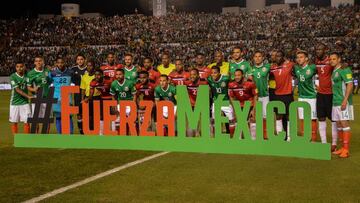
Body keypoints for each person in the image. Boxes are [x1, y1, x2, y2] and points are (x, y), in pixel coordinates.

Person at [330, 52, 354, 158]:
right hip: (335, 102)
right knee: (339, 125)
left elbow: (350, 84)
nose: (331, 61)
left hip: (343, 102)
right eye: (330, 59)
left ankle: (346, 149)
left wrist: (345, 100)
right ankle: (341, 148)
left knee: (344, 124)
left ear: (339, 59)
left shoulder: (344, 69)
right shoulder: (334, 71)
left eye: (334, 59)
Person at [315, 44, 338, 151]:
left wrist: (344, 64)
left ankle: (334, 143)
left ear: (325, 50)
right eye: (317, 49)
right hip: (320, 94)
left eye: (320, 49)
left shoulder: (331, 61)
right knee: (321, 118)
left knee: (333, 119)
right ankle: (324, 144)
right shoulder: (316, 62)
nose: (318, 51)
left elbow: (338, 65)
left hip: (330, 94)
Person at [270, 50, 294, 141]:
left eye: (280, 56)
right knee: (278, 116)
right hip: (277, 95)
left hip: (287, 94)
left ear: (283, 57)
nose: (278, 58)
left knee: (288, 116)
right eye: (276, 56)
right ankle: (280, 136)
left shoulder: (290, 65)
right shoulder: (272, 67)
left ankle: (289, 137)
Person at [294, 51, 318, 142]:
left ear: (306, 58)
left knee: (312, 119)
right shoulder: (296, 68)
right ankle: (305, 138)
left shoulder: (312, 67)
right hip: (301, 97)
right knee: (302, 118)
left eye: (301, 57)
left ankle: (314, 139)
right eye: (298, 57)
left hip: (311, 97)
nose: (299, 59)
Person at [228, 69, 258, 139]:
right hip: (239, 105)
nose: (237, 77)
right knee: (239, 122)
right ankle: (240, 140)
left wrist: (254, 109)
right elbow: (231, 97)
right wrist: (234, 109)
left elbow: (255, 95)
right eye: (235, 75)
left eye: (238, 75)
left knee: (252, 120)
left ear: (243, 76)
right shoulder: (231, 84)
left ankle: (253, 139)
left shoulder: (250, 84)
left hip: (249, 104)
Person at [27, 55, 52, 133]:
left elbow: (51, 81)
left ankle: (46, 136)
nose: (38, 62)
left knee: (47, 118)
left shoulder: (48, 71)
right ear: (34, 62)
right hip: (36, 97)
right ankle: (36, 136)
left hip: (47, 97)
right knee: (36, 118)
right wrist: (34, 89)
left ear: (43, 62)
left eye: (40, 61)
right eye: (37, 61)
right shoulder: (31, 73)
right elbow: (28, 87)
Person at [50, 57, 74, 134]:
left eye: (62, 62)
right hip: (57, 98)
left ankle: (70, 134)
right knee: (58, 117)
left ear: (65, 62)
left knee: (69, 116)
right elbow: (48, 83)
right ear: (56, 63)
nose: (60, 64)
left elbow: (74, 83)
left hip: (67, 98)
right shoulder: (52, 73)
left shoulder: (70, 72)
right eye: (58, 63)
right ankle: (60, 134)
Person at [207, 66, 233, 136]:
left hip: (226, 101)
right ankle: (216, 136)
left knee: (231, 120)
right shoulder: (209, 79)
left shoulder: (225, 78)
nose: (213, 74)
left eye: (215, 73)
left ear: (219, 73)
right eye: (212, 73)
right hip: (216, 102)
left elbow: (233, 81)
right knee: (215, 120)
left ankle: (232, 135)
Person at [110, 68, 137, 135]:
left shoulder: (130, 83)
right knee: (118, 123)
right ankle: (120, 138)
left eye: (120, 74)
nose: (118, 76)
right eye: (117, 74)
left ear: (124, 75)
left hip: (129, 104)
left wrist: (133, 105)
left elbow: (134, 95)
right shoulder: (113, 84)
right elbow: (113, 96)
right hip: (120, 104)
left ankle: (131, 139)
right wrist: (115, 105)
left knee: (131, 123)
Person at [250, 51, 270, 139]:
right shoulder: (251, 69)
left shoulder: (267, 67)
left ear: (262, 58)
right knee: (254, 116)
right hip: (254, 97)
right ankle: (254, 136)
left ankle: (265, 135)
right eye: (255, 56)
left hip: (265, 96)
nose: (257, 58)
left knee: (265, 116)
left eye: (259, 56)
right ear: (253, 58)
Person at [9, 62, 33, 134]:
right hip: (14, 103)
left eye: (21, 66)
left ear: (24, 67)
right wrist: (28, 96)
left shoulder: (27, 76)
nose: (19, 68)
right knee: (14, 122)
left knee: (27, 121)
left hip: (25, 102)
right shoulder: (13, 76)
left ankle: (26, 139)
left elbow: (30, 87)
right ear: (15, 68)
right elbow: (17, 90)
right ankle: (16, 139)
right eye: (17, 67)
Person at [184, 68, 208, 137]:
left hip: (201, 105)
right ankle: (190, 139)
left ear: (198, 75)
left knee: (201, 124)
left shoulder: (203, 83)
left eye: (194, 74)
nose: (192, 76)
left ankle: (199, 135)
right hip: (190, 105)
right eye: (191, 74)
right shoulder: (187, 83)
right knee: (190, 124)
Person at [71, 54, 87, 134]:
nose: (80, 61)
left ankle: (88, 129)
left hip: (87, 94)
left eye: (81, 59)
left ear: (85, 60)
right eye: (78, 59)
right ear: (76, 61)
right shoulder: (73, 69)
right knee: (79, 113)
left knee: (88, 112)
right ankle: (81, 130)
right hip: (77, 94)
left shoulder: (88, 68)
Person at [80, 60, 98, 132]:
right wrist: (82, 99)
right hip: (87, 98)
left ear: (94, 66)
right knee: (89, 116)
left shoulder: (97, 76)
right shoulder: (84, 77)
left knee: (96, 116)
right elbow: (83, 89)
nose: (89, 67)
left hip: (96, 97)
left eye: (90, 65)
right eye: (87, 65)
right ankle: (90, 131)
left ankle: (96, 130)